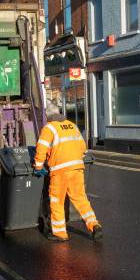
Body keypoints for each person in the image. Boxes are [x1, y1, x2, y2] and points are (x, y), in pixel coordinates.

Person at [34, 100, 102, 242]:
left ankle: (60, 233)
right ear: (59, 113)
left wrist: (38, 167)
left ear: (48, 117)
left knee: (56, 200)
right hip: (77, 168)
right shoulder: (72, 126)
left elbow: (41, 149)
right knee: (81, 199)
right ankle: (94, 225)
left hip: (60, 170)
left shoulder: (49, 128)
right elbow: (83, 148)